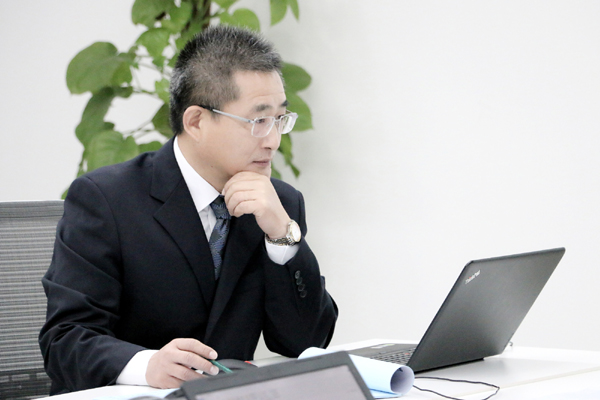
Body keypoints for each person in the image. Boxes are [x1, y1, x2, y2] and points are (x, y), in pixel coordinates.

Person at [39, 25, 338, 395]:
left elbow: (306, 341)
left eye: (279, 119)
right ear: (196, 121)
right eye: (259, 121)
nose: (273, 140)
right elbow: (65, 341)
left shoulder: (278, 204)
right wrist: (147, 365)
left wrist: (282, 235)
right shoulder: (106, 199)